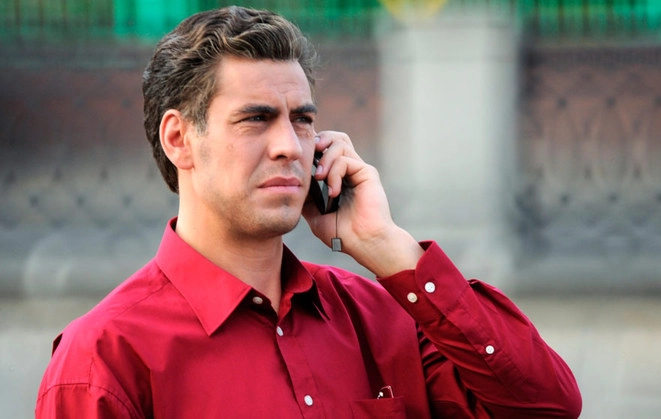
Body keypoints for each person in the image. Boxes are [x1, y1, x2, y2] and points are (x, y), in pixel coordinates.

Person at [36, 6, 582, 418]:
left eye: (301, 119)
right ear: (179, 139)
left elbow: (547, 405)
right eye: (255, 119)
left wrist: (387, 246)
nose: (289, 147)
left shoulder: (384, 319)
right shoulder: (104, 359)